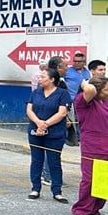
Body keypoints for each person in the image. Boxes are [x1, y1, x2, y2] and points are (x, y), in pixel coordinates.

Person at [26, 68, 71, 203]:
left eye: (43, 77)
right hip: (35, 131)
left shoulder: (62, 94)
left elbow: (62, 113)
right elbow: (29, 109)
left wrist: (45, 124)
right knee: (36, 160)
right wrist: (38, 123)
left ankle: (57, 191)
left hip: (55, 133)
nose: (40, 79)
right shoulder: (36, 93)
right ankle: (35, 188)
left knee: (54, 162)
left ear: (52, 79)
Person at [70, 77, 108, 215]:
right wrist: (85, 82)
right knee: (89, 180)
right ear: (97, 90)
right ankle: (80, 210)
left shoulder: (105, 101)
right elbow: (89, 89)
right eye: (105, 89)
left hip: (106, 146)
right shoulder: (83, 101)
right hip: (92, 147)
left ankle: (94, 210)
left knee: (103, 180)